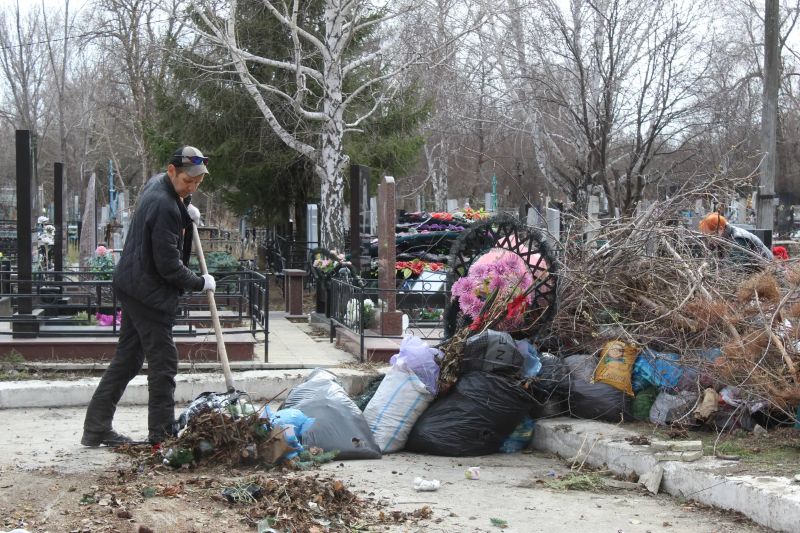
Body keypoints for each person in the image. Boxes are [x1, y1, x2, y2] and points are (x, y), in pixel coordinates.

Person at [81, 146, 216, 446]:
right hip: (148, 293)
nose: (192, 187)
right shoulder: (165, 205)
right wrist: (200, 282)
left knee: (128, 360)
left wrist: (186, 209)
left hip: (134, 284)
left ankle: (96, 428)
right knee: (164, 363)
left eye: (198, 183)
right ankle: (161, 436)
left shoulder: (159, 184)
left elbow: (174, 205)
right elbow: (169, 266)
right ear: (172, 171)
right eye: (188, 182)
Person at [698, 212, 773, 267]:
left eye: (711, 235)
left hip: (766, 272)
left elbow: (734, 269)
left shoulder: (738, 239)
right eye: (707, 236)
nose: (709, 240)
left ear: (720, 229)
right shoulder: (723, 239)